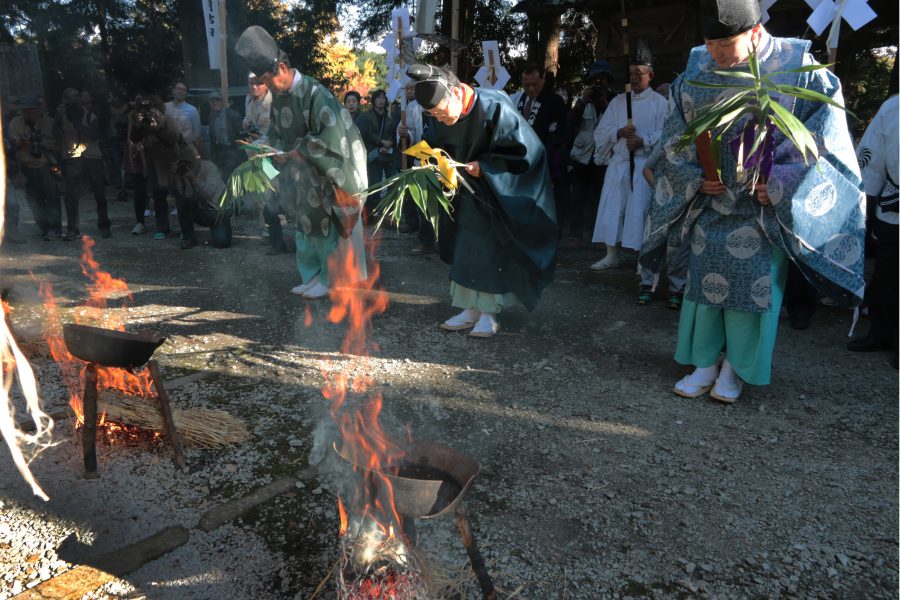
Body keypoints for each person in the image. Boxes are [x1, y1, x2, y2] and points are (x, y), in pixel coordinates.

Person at [640, 0, 866, 402]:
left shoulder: (798, 67)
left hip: (764, 211)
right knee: (703, 288)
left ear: (756, 32)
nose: (717, 55)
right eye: (710, 44)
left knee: (751, 292)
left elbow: (825, 143)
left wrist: (781, 181)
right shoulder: (696, 69)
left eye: (726, 45)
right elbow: (677, 136)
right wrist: (694, 178)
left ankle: (737, 369)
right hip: (712, 201)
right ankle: (704, 362)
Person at [407, 64, 557, 338]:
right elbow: (433, 143)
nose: (440, 119)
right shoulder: (441, 114)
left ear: (455, 93)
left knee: (489, 251)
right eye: (433, 115)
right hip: (464, 195)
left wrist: (486, 167)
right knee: (466, 247)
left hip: (497, 195)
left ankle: (489, 314)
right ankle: (469, 308)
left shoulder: (495, 106)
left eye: (441, 111)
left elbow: (528, 153)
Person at [236, 25, 368, 299]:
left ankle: (331, 279)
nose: (267, 87)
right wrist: (264, 149)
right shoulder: (281, 98)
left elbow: (331, 134)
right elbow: (276, 133)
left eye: (268, 81)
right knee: (307, 221)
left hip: (333, 171)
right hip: (306, 171)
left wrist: (300, 151)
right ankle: (314, 275)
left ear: (282, 68)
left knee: (328, 223)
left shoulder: (316, 93)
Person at [590, 40, 667, 276]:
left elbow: (668, 133)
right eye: (632, 73)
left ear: (650, 74)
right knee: (613, 207)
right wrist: (619, 132)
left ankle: (642, 259)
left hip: (644, 165)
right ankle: (611, 254)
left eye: (640, 73)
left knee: (640, 209)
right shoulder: (618, 102)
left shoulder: (660, 103)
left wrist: (644, 141)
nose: (634, 78)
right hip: (620, 163)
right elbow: (600, 132)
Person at [847, 92, 898, 366]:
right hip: (895, 202)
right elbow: (873, 156)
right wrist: (867, 194)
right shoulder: (893, 107)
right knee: (888, 272)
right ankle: (880, 331)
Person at [516, 64, 568, 242]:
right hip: (524, 160)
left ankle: (550, 235)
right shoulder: (522, 99)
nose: (530, 88)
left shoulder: (554, 101)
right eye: (526, 84)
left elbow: (558, 134)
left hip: (545, 159)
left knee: (547, 200)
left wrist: (542, 156)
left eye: (535, 84)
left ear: (543, 79)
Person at [566, 60, 614, 249]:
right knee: (577, 195)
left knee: (599, 196)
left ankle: (597, 235)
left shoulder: (614, 100)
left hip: (603, 155)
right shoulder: (582, 100)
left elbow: (614, 122)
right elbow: (570, 123)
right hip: (582, 155)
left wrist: (604, 104)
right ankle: (575, 234)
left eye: (601, 79)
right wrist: (582, 102)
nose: (598, 83)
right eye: (594, 80)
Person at [55, 87, 111, 240]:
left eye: (74, 100)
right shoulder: (61, 117)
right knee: (71, 196)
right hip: (72, 158)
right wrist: (58, 117)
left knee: (99, 194)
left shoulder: (89, 115)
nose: (71, 104)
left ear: (79, 101)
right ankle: (73, 228)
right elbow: (55, 137)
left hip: (92, 157)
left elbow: (93, 135)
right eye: (68, 101)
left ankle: (104, 225)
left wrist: (76, 121)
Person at [129, 95, 185, 239]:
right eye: (144, 110)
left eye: (151, 109)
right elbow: (134, 139)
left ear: (159, 109)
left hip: (171, 163)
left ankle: (185, 228)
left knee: (179, 195)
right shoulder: (144, 124)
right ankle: (162, 228)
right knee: (159, 197)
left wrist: (157, 128)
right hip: (154, 165)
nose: (148, 113)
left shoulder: (168, 120)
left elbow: (173, 138)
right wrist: (137, 124)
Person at [8, 96, 62, 240]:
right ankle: (44, 227)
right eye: (26, 111)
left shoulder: (49, 122)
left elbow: (57, 144)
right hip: (26, 166)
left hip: (46, 165)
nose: (29, 113)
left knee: (51, 198)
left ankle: (54, 228)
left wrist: (41, 142)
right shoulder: (16, 123)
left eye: (32, 110)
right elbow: (13, 144)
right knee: (34, 200)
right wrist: (22, 142)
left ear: (38, 110)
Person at [170, 144, 232, 249]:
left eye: (190, 163)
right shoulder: (185, 173)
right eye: (185, 164)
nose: (190, 166)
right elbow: (186, 196)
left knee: (222, 243)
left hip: (217, 211)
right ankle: (189, 238)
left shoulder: (210, 167)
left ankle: (220, 228)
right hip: (201, 210)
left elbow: (209, 194)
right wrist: (177, 177)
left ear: (197, 160)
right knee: (182, 202)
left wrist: (193, 179)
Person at [356, 89, 397, 213]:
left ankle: (390, 213)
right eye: (378, 98)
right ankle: (373, 212)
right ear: (373, 100)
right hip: (374, 152)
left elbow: (394, 131)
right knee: (375, 184)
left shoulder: (391, 114)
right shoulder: (366, 116)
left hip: (389, 152)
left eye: (383, 98)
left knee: (392, 183)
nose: (381, 100)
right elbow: (367, 133)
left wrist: (389, 143)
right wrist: (381, 143)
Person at [207, 91, 243, 177]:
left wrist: (238, 155)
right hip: (218, 152)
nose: (215, 103)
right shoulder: (211, 116)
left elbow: (241, 137)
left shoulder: (234, 115)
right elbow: (212, 138)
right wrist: (212, 156)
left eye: (217, 100)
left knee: (232, 177)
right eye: (212, 101)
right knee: (220, 177)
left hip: (232, 151)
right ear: (210, 103)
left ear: (222, 102)